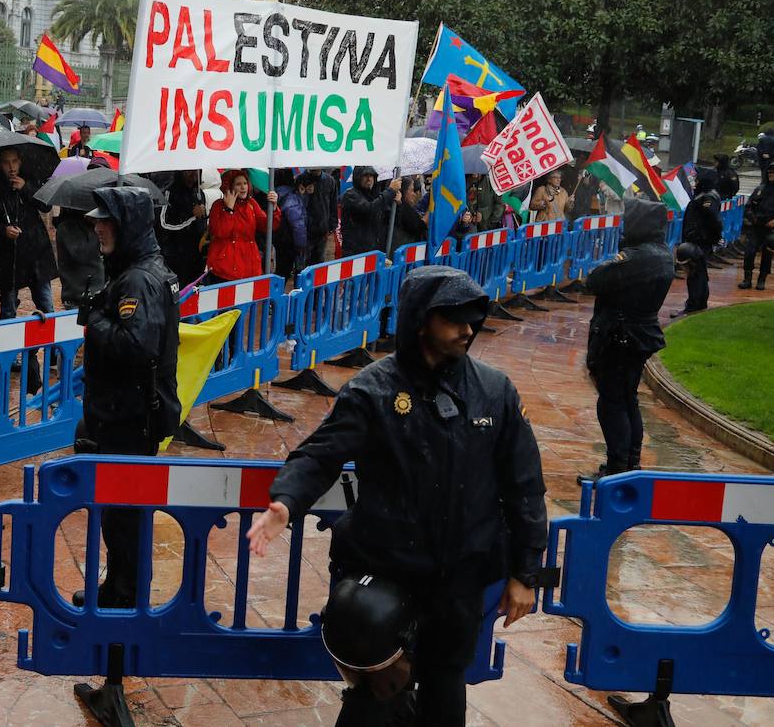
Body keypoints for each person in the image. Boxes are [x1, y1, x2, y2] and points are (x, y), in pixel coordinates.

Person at [247, 265, 547, 724]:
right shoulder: (373, 390)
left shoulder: (494, 391)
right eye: (454, 320)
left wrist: (525, 573)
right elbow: (320, 455)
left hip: (459, 580)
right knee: (375, 700)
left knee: (445, 689)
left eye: (473, 320)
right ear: (421, 320)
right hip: (388, 577)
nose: (468, 331)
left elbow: (524, 485)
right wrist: (284, 503)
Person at [75, 186, 181, 608]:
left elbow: (137, 346)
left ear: (128, 226)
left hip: (129, 418)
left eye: (107, 221)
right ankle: (118, 588)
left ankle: (123, 599)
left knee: (124, 516)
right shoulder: (133, 271)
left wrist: (96, 318)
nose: (98, 227)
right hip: (125, 413)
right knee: (119, 514)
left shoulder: (138, 278)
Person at [584, 199, 674, 477]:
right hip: (640, 334)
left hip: (621, 336)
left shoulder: (637, 258)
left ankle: (617, 467)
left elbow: (595, 279)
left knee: (612, 402)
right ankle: (630, 462)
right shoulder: (662, 253)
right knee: (628, 399)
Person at [0, 146, 58, 317]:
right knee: (8, 310)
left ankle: (50, 343)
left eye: (15, 161)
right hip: (10, 257)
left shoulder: (31, 178)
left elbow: (46, 206)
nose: (11, 167)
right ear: (0, 164)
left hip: (36, 252)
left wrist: (26, 188)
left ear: (20, 161)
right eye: (6, 163)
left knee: (46, 306)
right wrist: (4, 230)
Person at [205, 169, 279, 282]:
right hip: (224, 268)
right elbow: (220, 232)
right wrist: (228, 209)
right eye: (238, 184)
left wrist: (273, 208)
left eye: (245, 183)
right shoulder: (218, 206)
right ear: (229, 186)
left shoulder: (251, 204)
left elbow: (267, 226)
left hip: (249, 265)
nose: (243, 187)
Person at [739, 161, 774, 290]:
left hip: (772, 228)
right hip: (757, 226)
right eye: (769, 172)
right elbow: (748, 207)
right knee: (749, 252)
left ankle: (761, 279)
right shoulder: (760, 189)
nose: (771, 175)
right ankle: (747, 279)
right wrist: (752, 217)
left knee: (767, 255)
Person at [675, 169, 723, 316]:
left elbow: (714, 221)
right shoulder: (705, 196)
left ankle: (694, 305)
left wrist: (712, 238)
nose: (695, 183)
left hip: (699, 241)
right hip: (699, 240)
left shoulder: (707, 198)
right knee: (699, 273)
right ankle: (698, 304)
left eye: (697, 180)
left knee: (696, 274)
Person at [157, 169, 208, 288]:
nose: (193, 175)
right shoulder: (169, 192)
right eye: (189, 171)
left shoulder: (199, 193)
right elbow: (163, 223)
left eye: (196, 171)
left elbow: (201, 221)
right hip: (174, 255)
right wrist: (191, 216)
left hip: (195, 256)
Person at [55, 206, 105, 309]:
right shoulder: (66, 228)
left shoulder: (89, 226)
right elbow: (82, 255)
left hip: (97, 291)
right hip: (77, 295)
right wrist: (96, 231)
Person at [339, 167, 397, 257]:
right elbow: (369, 210)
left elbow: (388, 217)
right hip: (356, 253)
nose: (369, 179)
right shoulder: (350, 195)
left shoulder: (376, 196)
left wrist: (398, 204)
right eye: (365, 175)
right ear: (358, 177)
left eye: (371, 175)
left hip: (375, 251)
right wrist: (390, 191)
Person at [387, 177, 428, 252]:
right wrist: (430, 210)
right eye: (412, 190)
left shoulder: (405, 207)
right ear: (403, 192)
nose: (414, 194)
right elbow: (419, 227)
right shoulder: (399, 209)